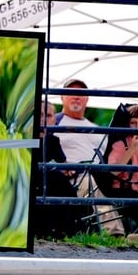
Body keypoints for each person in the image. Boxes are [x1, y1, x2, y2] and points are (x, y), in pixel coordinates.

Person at [54, 79, 125, 236]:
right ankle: (115, 234)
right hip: (75, 178)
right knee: (93, 184)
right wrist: (59, 167)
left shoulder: (97, 129)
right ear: (61, 97)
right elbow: (45, 149)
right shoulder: (54, 122)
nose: (76, 97)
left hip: (103, 175)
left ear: (87, 99)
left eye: (81, 94)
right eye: (71, 93)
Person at [34, 100, 83, 238]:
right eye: (39, 114)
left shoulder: (53, 141)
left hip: (50, 180)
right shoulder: (21, 138)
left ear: (54, 120)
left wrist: (67, 169)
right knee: (57, 180)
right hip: (31, 180)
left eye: (48, 115)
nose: (42, 119)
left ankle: (68, 228)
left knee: (61, 182)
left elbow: (62, 161)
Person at [106, 103, 138, 232]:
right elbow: (113, 172)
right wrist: (131, 151)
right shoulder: (121, 145)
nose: (137, 127)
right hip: (125, 192)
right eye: (133, 122)